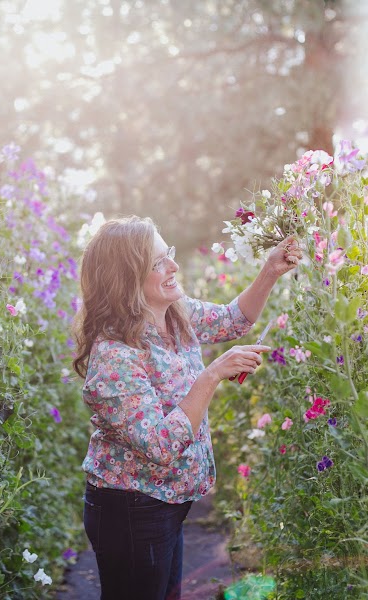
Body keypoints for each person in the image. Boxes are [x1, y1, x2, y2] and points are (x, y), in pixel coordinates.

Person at [72, 215, 302, 600]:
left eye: (170, 255)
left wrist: (270, 271)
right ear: (126, 279)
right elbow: (160, 446)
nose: (173, 267)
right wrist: (212, 375)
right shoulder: (115, 355)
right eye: (158, 262)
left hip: (166, 502)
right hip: (132, 508)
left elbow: (233, 321)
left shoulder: (176, 315)